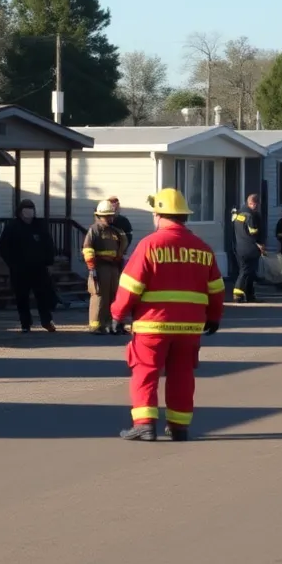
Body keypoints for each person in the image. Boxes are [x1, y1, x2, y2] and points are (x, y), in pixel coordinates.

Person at [111, 187, 225, 441]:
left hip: (153, 325)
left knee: (145, 371)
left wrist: (117, 314)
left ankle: (144, 425)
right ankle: (179, 426)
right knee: (182, 374)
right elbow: (216, 288)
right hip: (190, 327)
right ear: (184, 216)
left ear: (160, 215)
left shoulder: (149, 245)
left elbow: (130, 286)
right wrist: (215, 317)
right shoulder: (203, 249)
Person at [0, 199, 58, 333]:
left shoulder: (39, 226)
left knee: (43, 296)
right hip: (19, 269)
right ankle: (25, 323)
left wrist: (49, 263)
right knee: (21, 297)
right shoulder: (12, 226)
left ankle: (46, 321)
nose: (29, 211)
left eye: (31, 208)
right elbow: (4, 247)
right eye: (26, 208)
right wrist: (11, 263)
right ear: (20, 211)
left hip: (39, 268)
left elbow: (49, 245)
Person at [83, 200, 129, 335]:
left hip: (114, 267)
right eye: (107, 216)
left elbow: (123, 247)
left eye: (111, 215)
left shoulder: (116, 231)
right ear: (99, 216)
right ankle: (96, 325)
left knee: (114, 296)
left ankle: (112, 325)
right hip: (100, 267)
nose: (110, 218)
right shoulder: (95, 230)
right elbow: (88, 249)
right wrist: (92, 267)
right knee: (99, 295)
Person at [232, 193, 265, 303]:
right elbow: (254, 232)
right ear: (253, 203)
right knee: (247, 272)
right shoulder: (250, 216)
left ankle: (249, 295)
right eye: (257, 204)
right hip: (250, 248)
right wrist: (260, 244)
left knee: (246, 271)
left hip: (239, 247)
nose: (257, 207)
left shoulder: (238, 214)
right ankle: (237, 293)